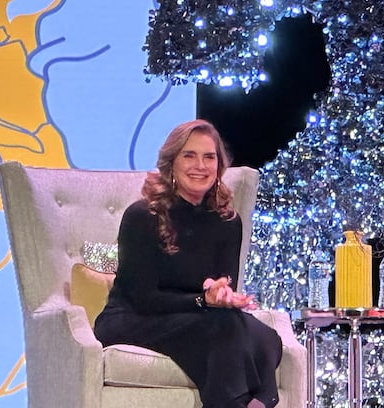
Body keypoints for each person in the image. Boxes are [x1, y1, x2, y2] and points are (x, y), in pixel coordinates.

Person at [94, 120, 281, 408]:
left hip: (198, 315)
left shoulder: (227, 222)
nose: (200, 166)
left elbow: (222, 288)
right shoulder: (142, 216)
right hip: (132, 317)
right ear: (172, 162)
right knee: (225, 330)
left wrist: (222, 297)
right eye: (189, 155)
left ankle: (256, 401)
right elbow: (143, 298)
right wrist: (202, 301)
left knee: (266, 336)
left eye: (209, 157)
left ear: (219, 166)